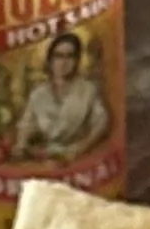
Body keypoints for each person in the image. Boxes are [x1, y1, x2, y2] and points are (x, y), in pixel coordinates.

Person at [14, 25, 112, 161]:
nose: (63, 63)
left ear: (77, 61)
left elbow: (101, 122)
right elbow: (26, 125)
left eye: (69, 57)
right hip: (45, 159)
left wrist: (81, 148)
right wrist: (21, 145)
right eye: (58, 56)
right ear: (50, 61)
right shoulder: (38, 95)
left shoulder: (88, 90)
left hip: (79, 159)